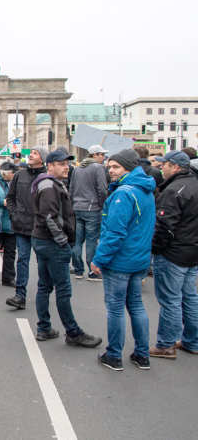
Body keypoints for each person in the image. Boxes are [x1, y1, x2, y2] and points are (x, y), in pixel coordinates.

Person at [89, 149, 156, 371]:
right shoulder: (145, 189)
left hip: (120, 260)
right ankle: (142, 355)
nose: (111, 170)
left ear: (128, 167)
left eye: (116, 167)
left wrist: (98, 260)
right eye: (109, 166)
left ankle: (114, 355)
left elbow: (114, 233)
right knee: (136, 305)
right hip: (139, 259)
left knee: (116, 308)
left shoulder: (123, 193)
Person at [31, 150, 103, 348]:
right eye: (61, 163)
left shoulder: (48, 183)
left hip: (44, 240)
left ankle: (44, 328)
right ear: (50, 165)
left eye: (67, 163)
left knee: (45, 286)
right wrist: (62, 240)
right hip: (52, 243)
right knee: (63, 290)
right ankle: (73, 333)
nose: (66, 167)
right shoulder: (49, 186)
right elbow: (49, 217)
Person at [149, 150, 198, 359]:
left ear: (175, 167)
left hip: (174, 252)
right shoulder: (193, 184)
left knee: (170, 299)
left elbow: (165, 227)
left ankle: (166, 345)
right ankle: (192, 340)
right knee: (189, 297)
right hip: (192, 250)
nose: (161, 167)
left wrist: (156, 250)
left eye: (164, 164)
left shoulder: (174, 190)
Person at [5, 146, 48, 309]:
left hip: (41, 227)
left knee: (42, 262)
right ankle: (20, 295)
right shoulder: (20, 175)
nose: (30, 155)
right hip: (21, 224)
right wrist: (13, 216)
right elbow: (10, 198)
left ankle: (43, 295)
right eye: (30, 153)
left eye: (35, 153)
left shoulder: (47, 177)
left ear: (42, 159)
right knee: (22, 259)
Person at [69, 144, 108, 281]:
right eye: (102, 154)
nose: (104, 157)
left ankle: (78, 270)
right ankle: (93, 272)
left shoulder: (77, 168)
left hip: (77, 208)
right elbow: (102, 189)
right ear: (95, 155)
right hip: (93, 208)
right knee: (92, 241)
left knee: (77, 241)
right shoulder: (98, 168)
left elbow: (71, 188)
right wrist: (103, 205)